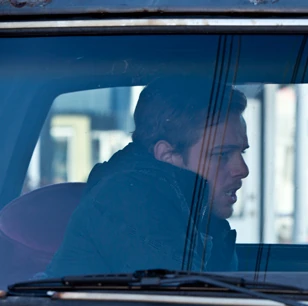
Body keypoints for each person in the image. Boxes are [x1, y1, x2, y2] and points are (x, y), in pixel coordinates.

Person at [45, 77, 250, 276]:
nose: (242, 169)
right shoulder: (129, 201)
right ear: (168, 156)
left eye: (241, 152)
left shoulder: (197, 214)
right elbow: (185, 295)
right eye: (221, 155)